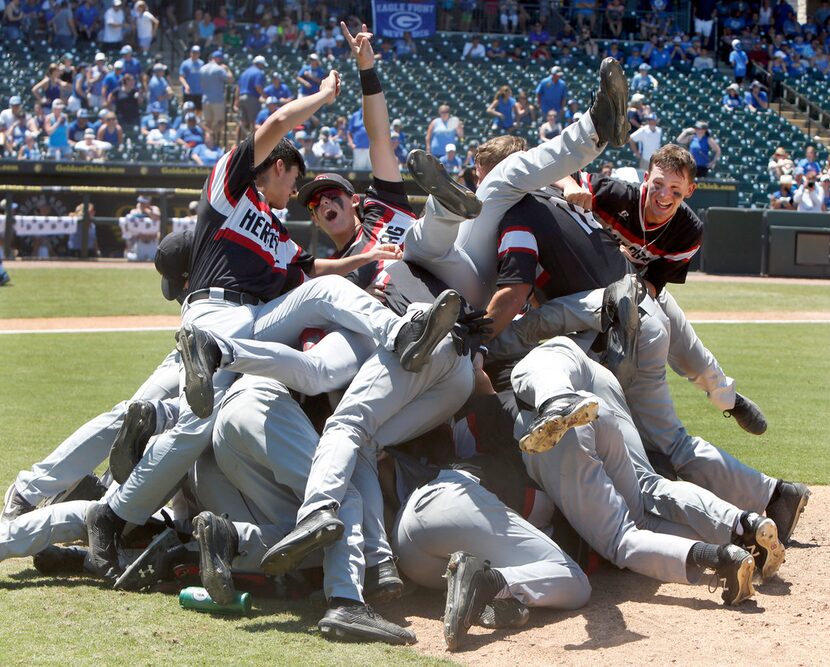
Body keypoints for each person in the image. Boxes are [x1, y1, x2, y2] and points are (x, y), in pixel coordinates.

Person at [200, 51, 233, 141]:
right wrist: (227, 69)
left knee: (207, 123)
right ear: (217, 58)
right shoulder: (219, 69)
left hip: (205, 99)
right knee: (221, 122)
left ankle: (207, 139)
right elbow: (230, 79)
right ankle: (213, 137)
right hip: (217, 100)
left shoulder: (202, 68)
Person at [121, 195, 160, 262]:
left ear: (149, 202)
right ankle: (130, 251)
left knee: (154, 259)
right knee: (132, 258)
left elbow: (157, 217)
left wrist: (146, 210)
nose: (142, 204)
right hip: (139, 241)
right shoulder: (134, 211)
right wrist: (139, 211)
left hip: (152, 240)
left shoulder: (154, 208)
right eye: (141, 202)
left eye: (144, 202)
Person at [236, 55, 267, 138]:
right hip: (251, 98)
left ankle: (237, 142)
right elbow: (258, 87)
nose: (263, 67)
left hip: (241, 98)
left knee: (242, 122)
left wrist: (236, 101)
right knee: (254, 122)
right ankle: (254, 143)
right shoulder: (258, 72)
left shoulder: (244, 72)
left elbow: (238, 88)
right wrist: (265, 96)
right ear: (259, 64)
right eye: (263, 65)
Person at [179, 46, 204, 110]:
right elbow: (181, 77)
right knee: (188, 109)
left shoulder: (201, 63)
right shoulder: (185, 63)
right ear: (191, 53)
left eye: (197, 53)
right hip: (189, 92)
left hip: (199, 91)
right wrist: (186, 85)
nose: (195, 54)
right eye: (194, 52)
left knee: (199, 109)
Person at [347, 106, 370, 170]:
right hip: (358, 148)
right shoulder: (355, 115)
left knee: (373, 172)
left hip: (371, 149)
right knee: (359, 170)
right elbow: (349, 132)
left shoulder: (374, 114)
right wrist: (351, 144)